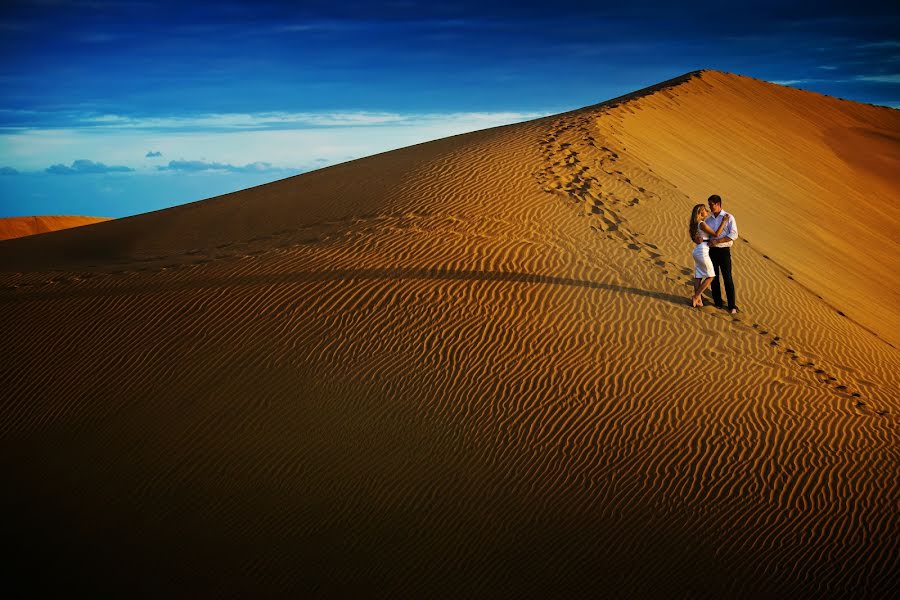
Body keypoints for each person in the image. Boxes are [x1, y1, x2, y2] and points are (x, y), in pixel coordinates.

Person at [689, 204, 730, 307]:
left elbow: (695, 238)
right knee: (711, 276)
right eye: (704, 210)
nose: (707, 210)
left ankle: (698, 301)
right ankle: (696, 296)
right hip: (702, 251)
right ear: (700, 212)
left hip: (698, 251)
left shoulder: (695, 224)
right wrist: (724, 222)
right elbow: (716, 234)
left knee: (698, 276)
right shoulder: (702, 224)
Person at [704, 195, 739, 314]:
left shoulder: (729, 217)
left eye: (711, 204)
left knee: (727, 277)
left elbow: (734, 235)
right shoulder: (708, 220)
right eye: (709, 204)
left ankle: (732, 306)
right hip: (712, 251)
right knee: (714, 277)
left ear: (718, 204)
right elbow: (707, 236)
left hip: (724, 251)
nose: (710, 206)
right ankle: (717, 303)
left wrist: (718, 241)